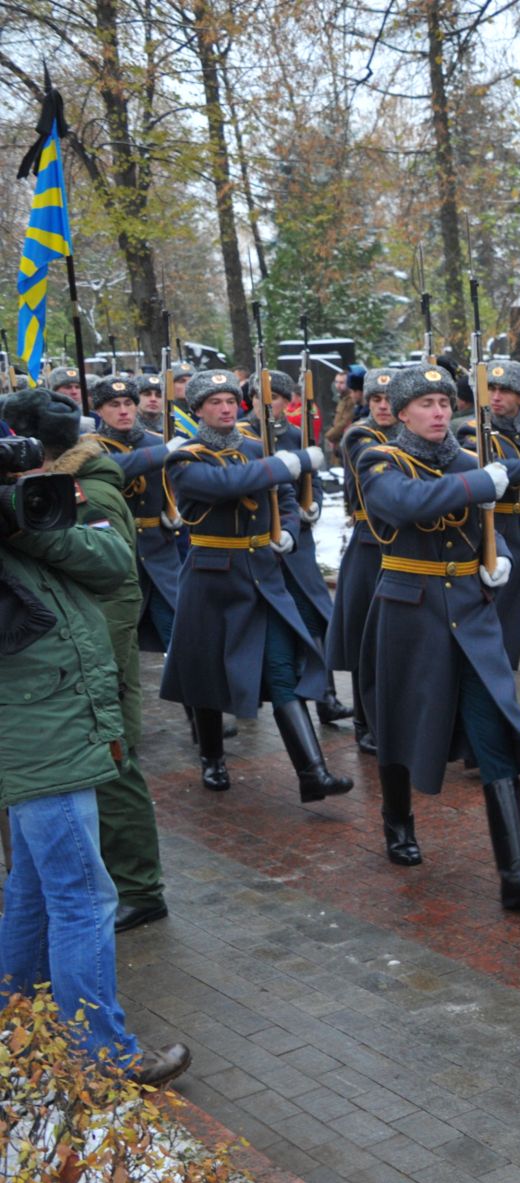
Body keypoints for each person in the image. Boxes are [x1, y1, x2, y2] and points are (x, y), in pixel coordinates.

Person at [0, 410, 190, 1087]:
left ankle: (17, 1022)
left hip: (55, 729)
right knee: (83, 896)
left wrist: (25, 519)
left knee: (29, 887)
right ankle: (102, 1054)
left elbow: (113, 562)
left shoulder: (33, 518)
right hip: (37, 736)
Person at [354, 366, 520, 918]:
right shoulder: (380, 461)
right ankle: (397, 819)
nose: (440, 411)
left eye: (445, 401)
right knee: (400, 720)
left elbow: (488, 533)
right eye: (426, 403)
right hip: (409, 610)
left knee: (494, 730)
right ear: (400, 413)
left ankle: (516, 874)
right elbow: (405, 505)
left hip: (470, 609)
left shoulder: (469, 462)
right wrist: (482, 482)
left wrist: (501, 562)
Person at [157, 370, 352, 802]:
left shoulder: (254, 449)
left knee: (282, 670)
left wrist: (286, 526)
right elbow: (226, 485)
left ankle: (312, 772)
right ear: (199, 410)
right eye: (215, 403)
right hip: (212, 575)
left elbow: (280, 493)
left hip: (262, 573)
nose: (226, 408)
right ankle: (212, 757)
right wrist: (286, 462)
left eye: (231, 401)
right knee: (206, 672)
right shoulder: (185, 458)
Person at [30, 384, 171, 934]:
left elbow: (117, 585)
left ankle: (140, 888)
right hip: (73, 655)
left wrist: (101, 666)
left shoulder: (88, 494)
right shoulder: (49, 487)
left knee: (114, 766)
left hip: (99, 656)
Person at [260, 369, 351, 727]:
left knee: (315, 616)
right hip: (260, 544)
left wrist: (309, 507)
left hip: (297, 542)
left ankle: (327, 697)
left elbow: (307, 484)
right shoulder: (244, 436)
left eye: (279, 398)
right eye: (263, 398)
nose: (271, 405)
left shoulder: (295, 435)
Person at [457, 358, 520, 668]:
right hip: (499, 536)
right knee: (501, 632)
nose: (496, 397)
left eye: (505, 390)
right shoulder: (471, 430)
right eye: (490, 389)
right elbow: (498, 473)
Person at [326, 368, 399, 754]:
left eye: (389, 399)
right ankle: (364, 721)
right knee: (363, 637)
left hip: (404, 545)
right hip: (370, 543)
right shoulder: (361, 435)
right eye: (375, 400)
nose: (383, 406)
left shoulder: (407, 432)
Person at [87, 375, 185, 655]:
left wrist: (176, 508)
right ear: (99, 410)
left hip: (160, 550)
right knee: (118, 637)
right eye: (114, 404)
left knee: (178, 630)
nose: (123, 411)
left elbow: (183, 484)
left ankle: (194, 697)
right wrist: (164, 452)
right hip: (117, 551)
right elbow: (116, 467)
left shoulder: (156, 441)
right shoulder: (89, 447)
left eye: (129, 403)